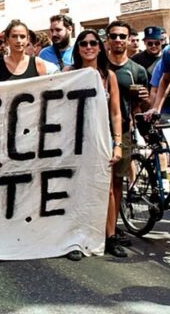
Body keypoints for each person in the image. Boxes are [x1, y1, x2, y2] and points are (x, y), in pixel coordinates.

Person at [68, 30, 124, 259]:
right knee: (76, 188)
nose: (88, 47)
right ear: (78, 48)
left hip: (102, 139)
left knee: (107, 189)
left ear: (100, 47)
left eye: (93, 43)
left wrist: (118, 143)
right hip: (74, 140)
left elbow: (116, 113)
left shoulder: (108, 76)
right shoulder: (68, 74)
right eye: (84, 43)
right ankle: (75, 239)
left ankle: (110, 236)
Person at [105, 20, 150, 253]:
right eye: (114, 36)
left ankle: (111, 228)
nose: (119, 40)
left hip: (123, 130)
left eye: (123, 36)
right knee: (102, 183)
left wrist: (144, 98)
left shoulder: (137, 71)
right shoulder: (100, 67)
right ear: (108, 39)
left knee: (116, 181)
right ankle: (106, 230)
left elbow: (145, 104)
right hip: (97, 131)